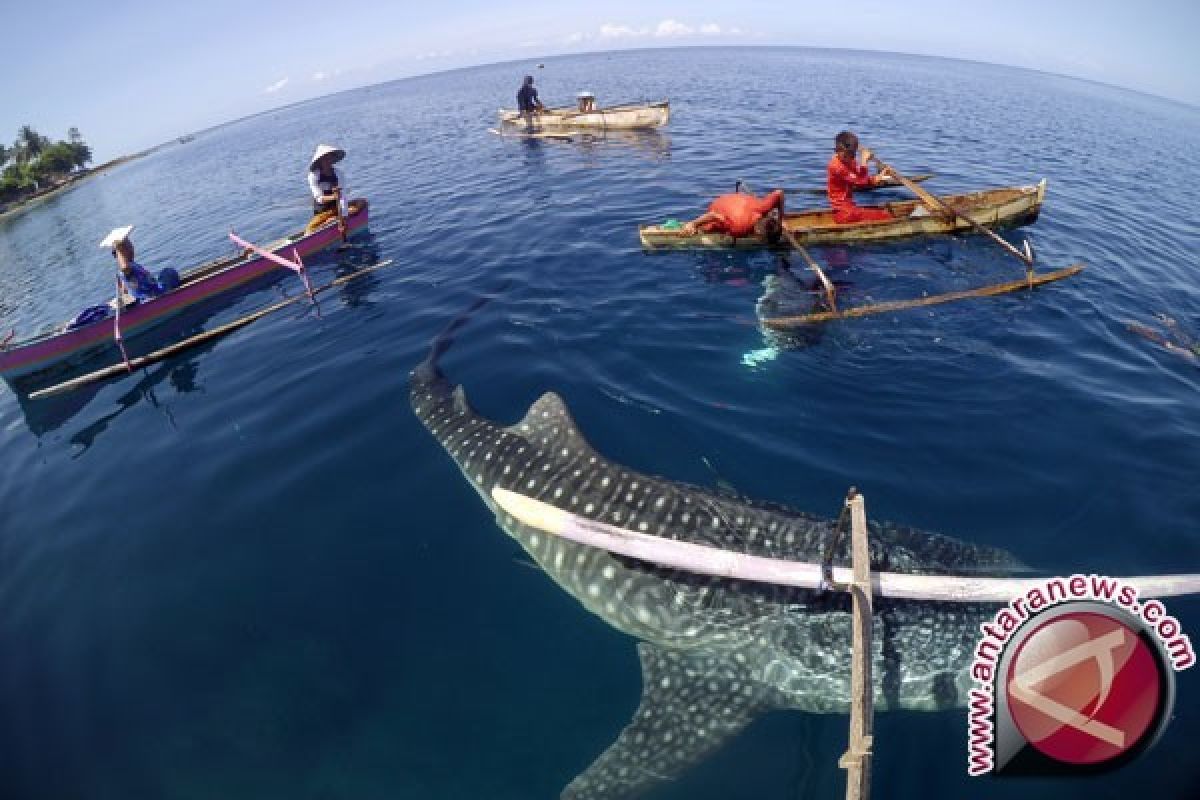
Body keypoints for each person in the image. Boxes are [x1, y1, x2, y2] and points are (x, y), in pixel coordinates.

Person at [827, 131, 895, 224]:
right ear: (837, 150)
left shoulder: (850, 161)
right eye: (846, 155)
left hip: (850, 209)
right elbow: (861, 182)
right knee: (886, 216)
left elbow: (859, 178)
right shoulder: (836, 167)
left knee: (881, 214)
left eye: (852, 155)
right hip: (844, 213)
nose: (850, 158)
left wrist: (879, 176)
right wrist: (864, 161)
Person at [682, 188, 786, 243]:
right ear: (757, 233)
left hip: (733, 200)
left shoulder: (764, 207)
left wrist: (781, 220)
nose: (762, 242)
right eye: (763, 240)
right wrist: (693, 224)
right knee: (712, 228)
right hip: (719, 206)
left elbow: (779, 193)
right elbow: (713, 215)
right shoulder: (739, 227)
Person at [100, 225, 167, 303]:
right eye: (128, 245)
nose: (132, 247)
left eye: (130, 244)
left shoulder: (129, 267)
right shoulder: (128, 269)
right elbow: (125, 268)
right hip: (151, 297)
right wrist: (118, 247)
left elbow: (125, 291)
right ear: (122, 252)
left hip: (152, 292)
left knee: (164, 274)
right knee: (168, 272)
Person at [307, 144, 347, 232]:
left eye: (330, 157)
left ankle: (335, 219)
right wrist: (334, 197)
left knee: (362, 202)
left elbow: (343, 197)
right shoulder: (313, 175)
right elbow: (319, 198)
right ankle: (330, 221)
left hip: (337, 209)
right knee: (310, 229)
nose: (328, 161)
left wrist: (343, 217)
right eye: (325, 158)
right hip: (323, 212)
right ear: (320, 160)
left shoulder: (339, 174)